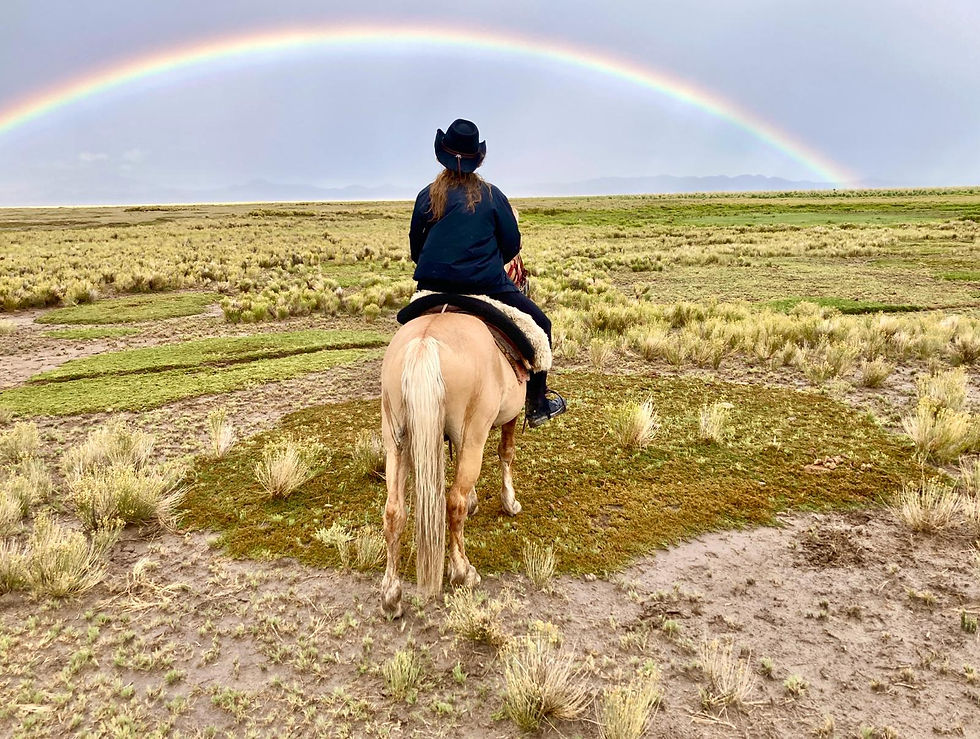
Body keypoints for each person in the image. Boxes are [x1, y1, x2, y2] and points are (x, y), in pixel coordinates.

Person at [409, 118, 566, 428]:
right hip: (486, 285)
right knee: (541, 326)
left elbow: (417, 246)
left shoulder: (426, 196)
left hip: (431, 285)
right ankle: (537, 405)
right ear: (477, 158)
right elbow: (512, 244)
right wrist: (488, 261)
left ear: (442, 153)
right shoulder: (492, 195)